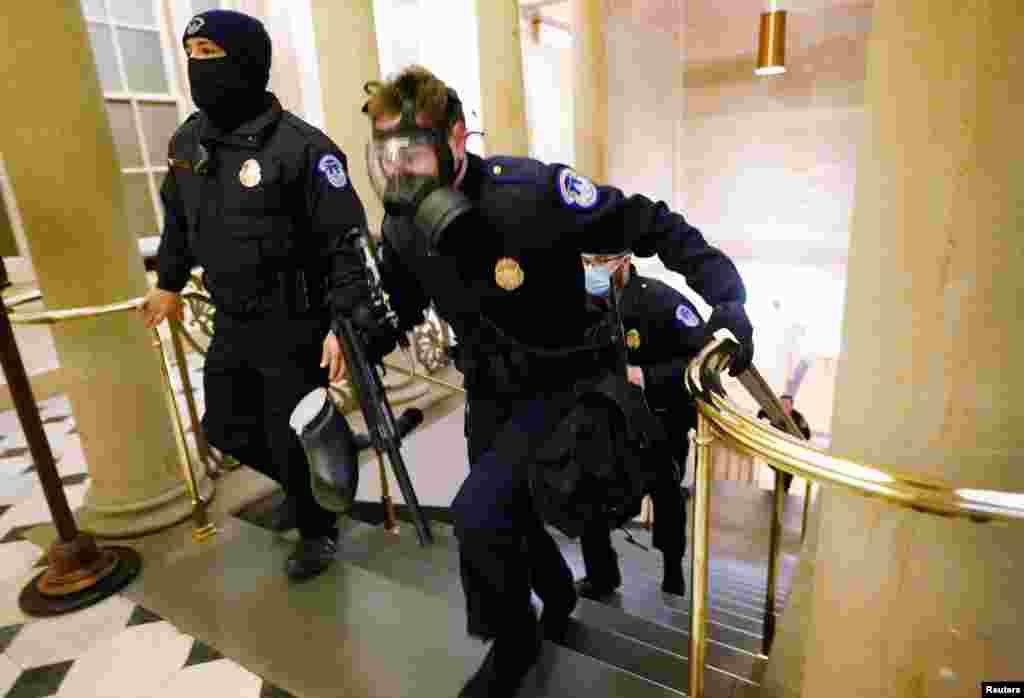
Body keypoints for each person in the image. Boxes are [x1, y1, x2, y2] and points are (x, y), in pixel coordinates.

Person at [334, 66, 754, 697]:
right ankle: (556, 592)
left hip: (567, 383)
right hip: (489, 392)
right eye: (387, 156)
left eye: (414, 154)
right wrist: (359, 333)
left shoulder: (531, 192)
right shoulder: (402, 226)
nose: (401, 174)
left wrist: (727, 297)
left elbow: (650, 223)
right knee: (508, 515)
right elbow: (402, 300)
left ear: (456, 136)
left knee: (477, 513)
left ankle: (515, 640)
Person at [140, 10, 368, 581]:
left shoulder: (303, 149)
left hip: (295, 319)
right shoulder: (187, 143)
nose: (197, 65)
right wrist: (168, 283)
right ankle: (304, 483)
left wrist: (344, 323)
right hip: (233, 317)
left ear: (247, 60)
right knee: (224, 426)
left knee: (288, 430)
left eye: (211, 53)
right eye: (191, 53)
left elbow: (344, 245)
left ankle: (318, 527)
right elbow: (178, 222)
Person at [576, 253, 705, 600]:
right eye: (588, 259)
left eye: (602, 259)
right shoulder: (579, 300)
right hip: (603, 422)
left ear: (625, 258)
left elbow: (701, 361)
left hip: (658, 423)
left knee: (667, 497)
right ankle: (601, 574)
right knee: (589, 491)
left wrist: (646, 375)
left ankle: (673, 570)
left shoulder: (660, 298)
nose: (593, 268)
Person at [757, 394, 812, 492]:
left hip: (790, 452)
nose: (783, 407)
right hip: (774, 448)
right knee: (779, 470)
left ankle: (782, 493)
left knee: (786, 477)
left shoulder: (798, 417)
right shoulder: (772, 411)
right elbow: (760, 414)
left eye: (786, 405)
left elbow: (807, 435)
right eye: (781, 404)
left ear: (791, 406)